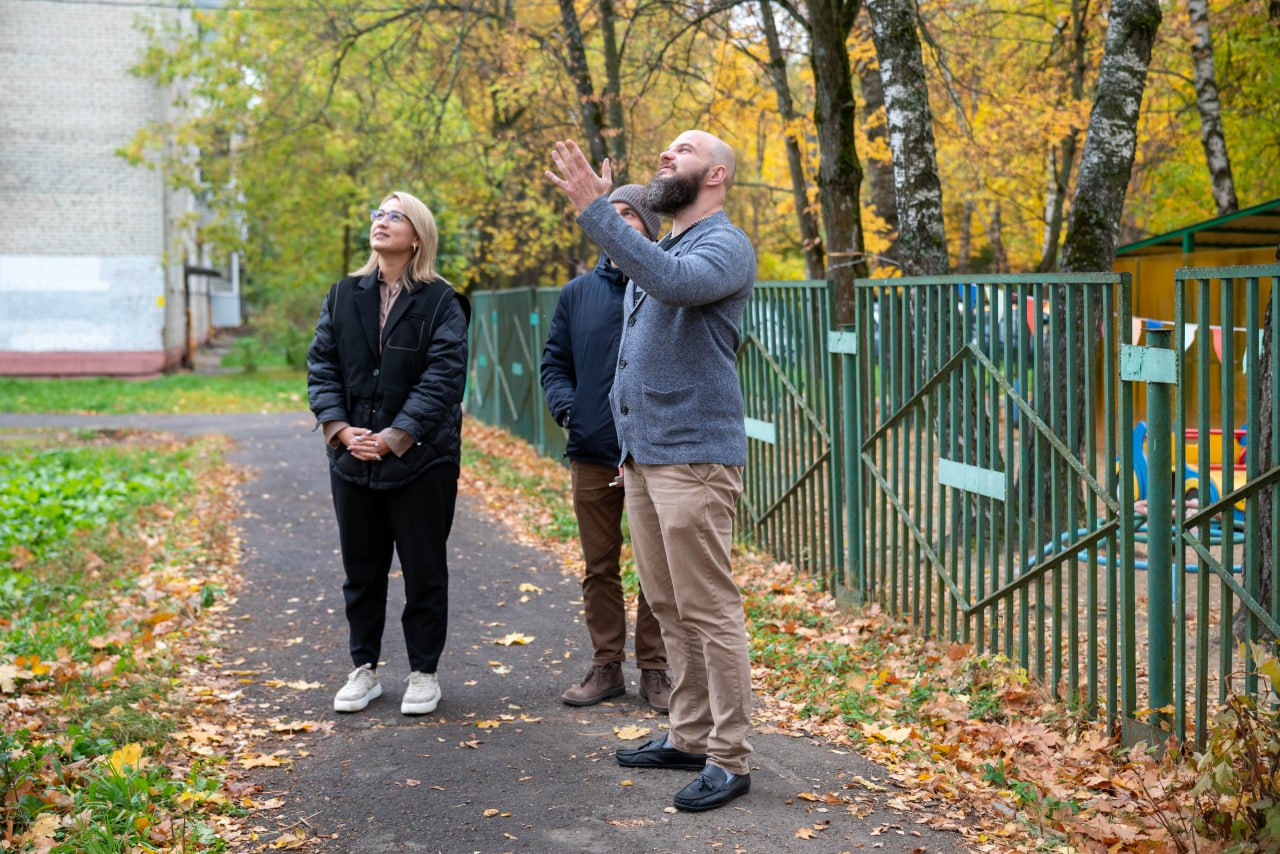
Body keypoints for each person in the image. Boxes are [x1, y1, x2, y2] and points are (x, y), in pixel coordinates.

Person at [545, 131, 756, 812]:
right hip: (644, 459)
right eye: (666, 149)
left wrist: (596, 211)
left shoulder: (723, 245)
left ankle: (729, 756)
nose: (667, 156)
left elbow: (673, 285)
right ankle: (690, 735)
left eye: (683, 151)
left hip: (693, 457)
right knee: (667, 607)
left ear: (715, 174)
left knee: (709, 609)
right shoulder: (667, 246)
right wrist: (626, 446)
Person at [307, 190, 470, 716]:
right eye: (378, 213)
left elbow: (444, 376)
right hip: (352, 457)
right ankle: (364, 669)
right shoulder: (342, 295)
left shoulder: (442, 301)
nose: (382, 221)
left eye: (395, 216)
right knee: (361, 569)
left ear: (417, 236)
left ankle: (423, 673)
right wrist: (340, 430)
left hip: (422, 459)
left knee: (424, 569)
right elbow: (322, 365)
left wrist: (396, 435)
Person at [540, 185, 672, 713]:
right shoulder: (577, 293)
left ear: (650, 229)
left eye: (630, 215)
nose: (618, 222)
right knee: (599, 565)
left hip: (652, 454)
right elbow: (555, 363)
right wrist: (571, 412)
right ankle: (606, 666)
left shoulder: (665, 288)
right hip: (593, 451)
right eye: (610, 213)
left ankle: (656, 669)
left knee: (657, 567)